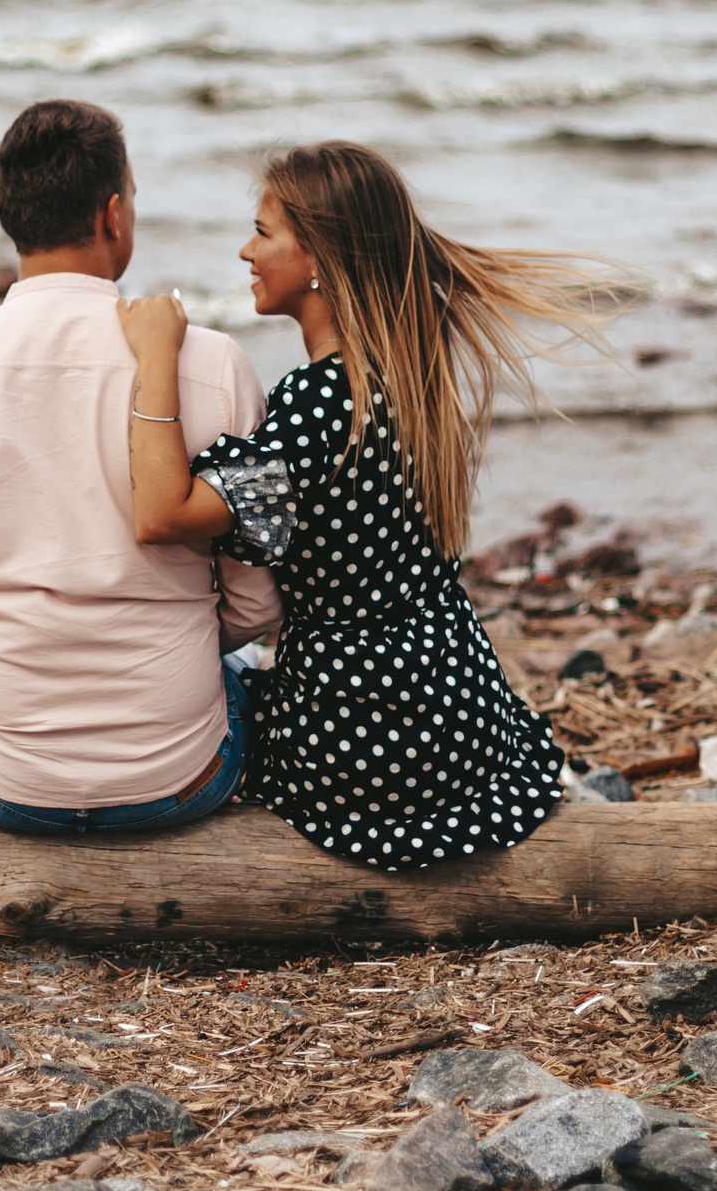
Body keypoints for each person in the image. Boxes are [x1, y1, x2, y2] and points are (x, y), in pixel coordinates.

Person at [116, 140, 611, 871]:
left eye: (263, 231)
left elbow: (163, 513)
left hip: (361, 741)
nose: (246, 250)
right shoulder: (409, 371)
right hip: (457, 715)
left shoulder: (318, 401)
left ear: (319, 255)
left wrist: (157, 353)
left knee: (192, 692)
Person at [0, 98, 280, 834]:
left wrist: (18, 649)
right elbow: (256, 603)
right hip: (181, 774)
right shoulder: (212, 365)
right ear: (113, 214)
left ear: (10, 217)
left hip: (1, 780)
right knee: (238, 682)